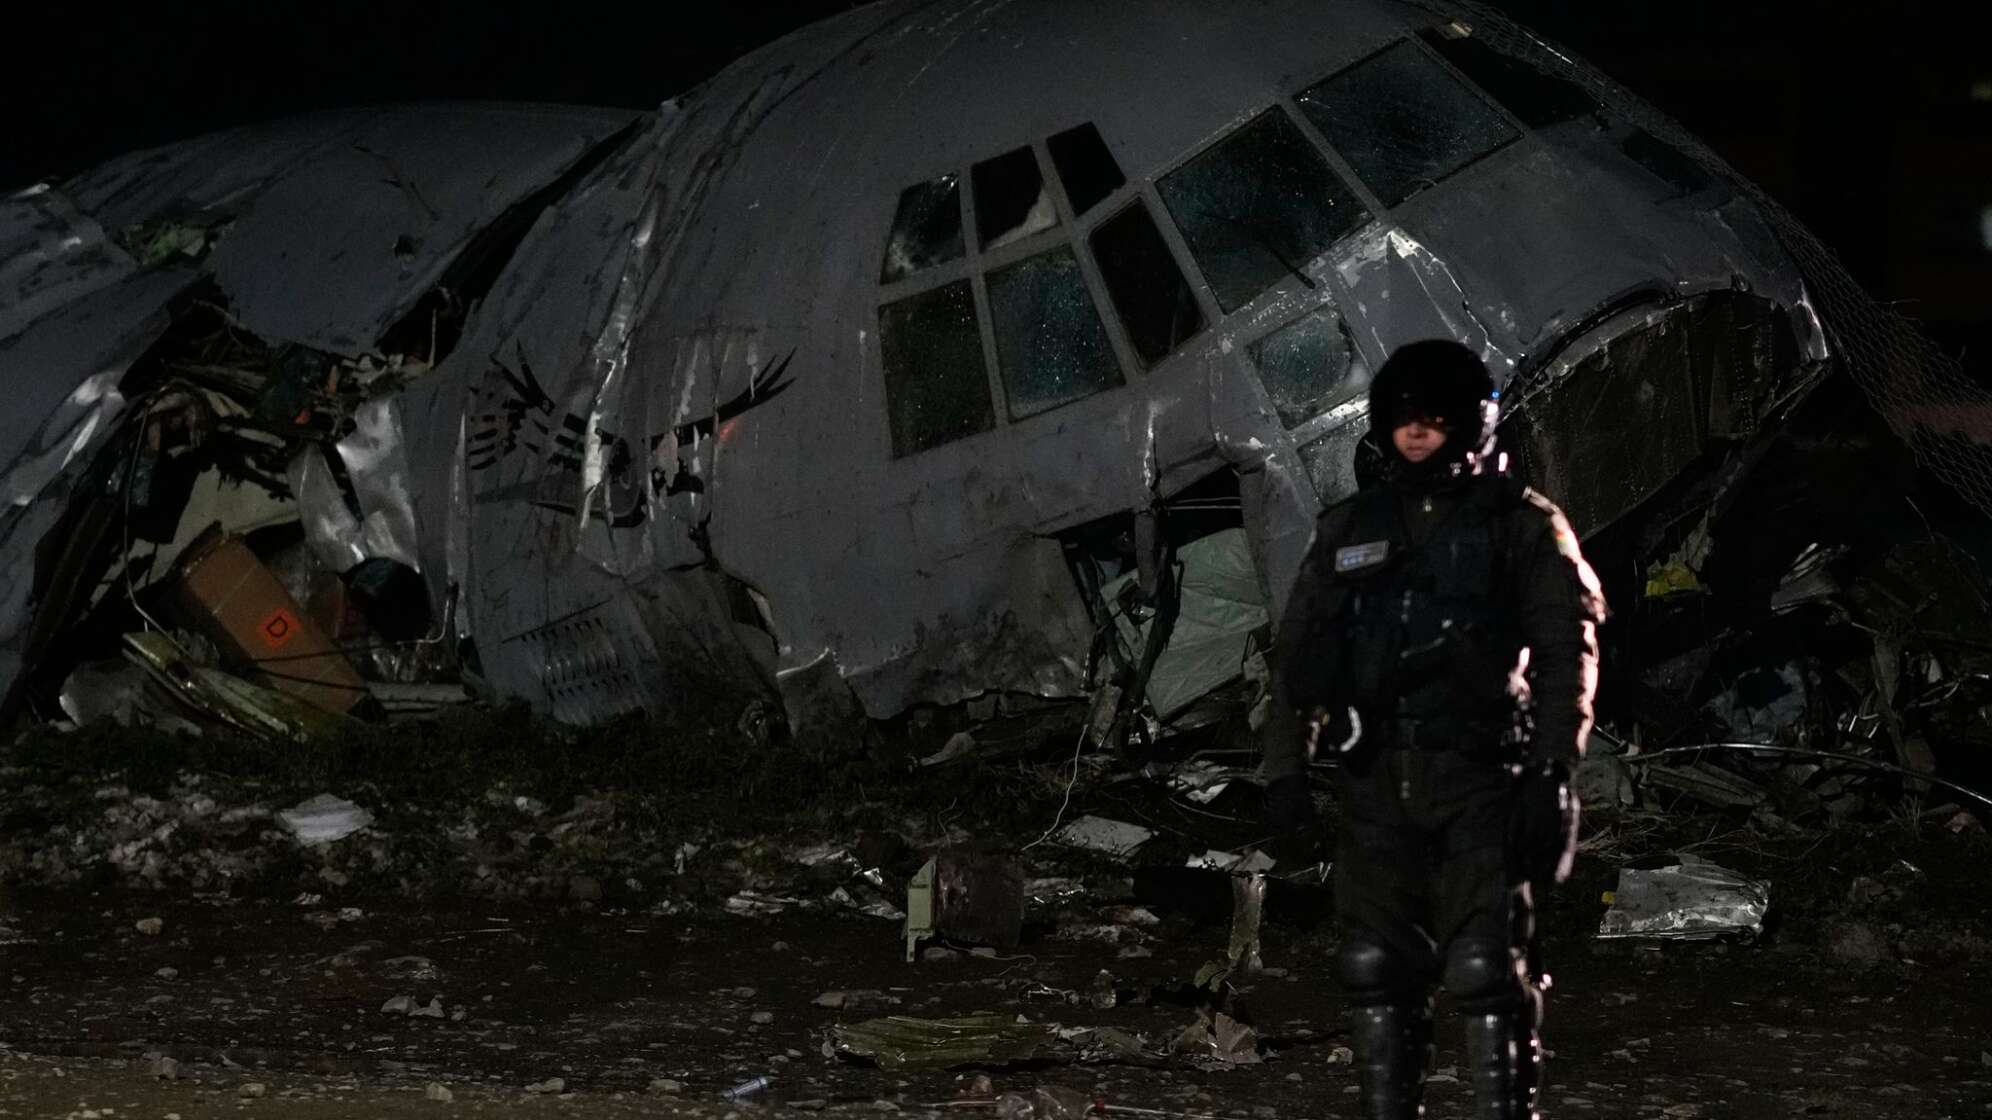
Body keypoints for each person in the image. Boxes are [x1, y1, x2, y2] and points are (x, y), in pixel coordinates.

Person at [1263, 339, 1606, 1120]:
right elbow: (1298, 659)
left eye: (1434, 418)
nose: (1417, 432)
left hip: (1482, 775)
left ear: (1470, 423)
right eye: (1403, 418)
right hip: (1376, 777)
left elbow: (1566, 655)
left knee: (1487, 967)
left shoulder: (1519, 525)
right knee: (1374, 965)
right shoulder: (1351, 527)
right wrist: (1284, 769)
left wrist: (1554, 778)